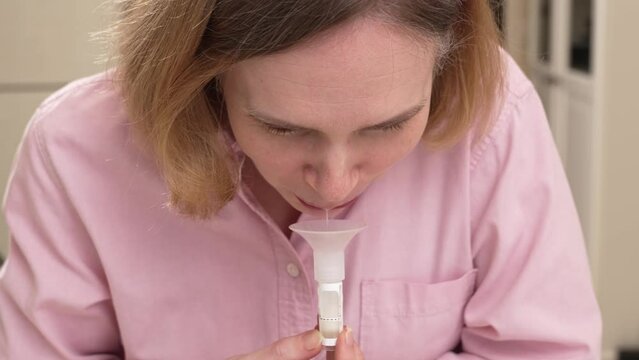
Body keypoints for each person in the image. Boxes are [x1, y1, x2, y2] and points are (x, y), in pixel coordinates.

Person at [0, 0, 602, 359]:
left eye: (388, 126)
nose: (335, 186)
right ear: (205, 73)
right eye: (282, 129)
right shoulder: (77, 153)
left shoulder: (491, 115)